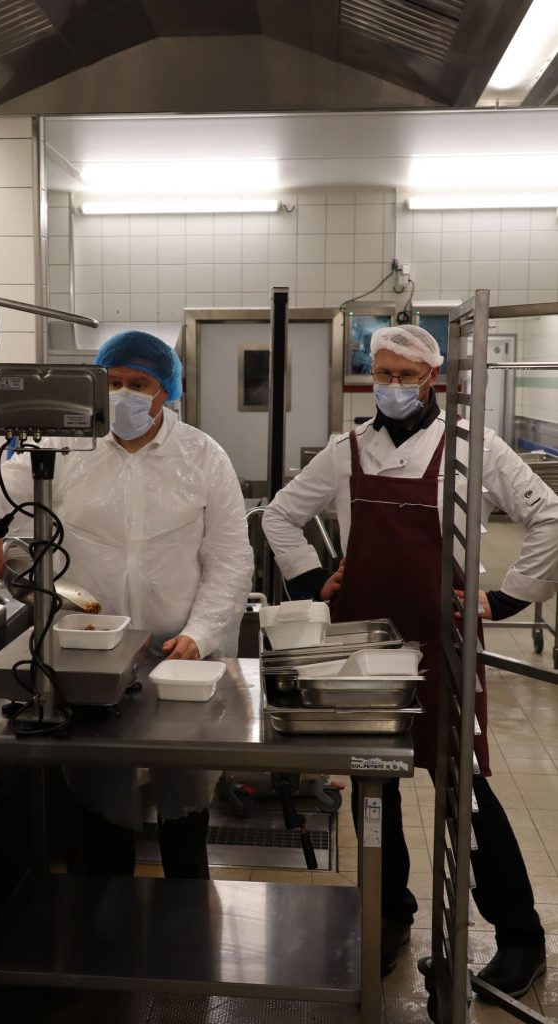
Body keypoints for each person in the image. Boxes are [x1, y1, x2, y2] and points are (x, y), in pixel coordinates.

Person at [263, 324, 558, 998]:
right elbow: (280, 515)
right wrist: (311, 581)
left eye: (406, 375)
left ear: (432, 379)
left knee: (465, 790)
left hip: (442, 645)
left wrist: (507, 598)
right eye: (382, 373)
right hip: (362, 648)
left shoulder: (472, 448)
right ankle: (389, 914)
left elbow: (549, 515)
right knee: (375, 783)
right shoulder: (347, 449)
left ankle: (520, 937)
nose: (392, 386)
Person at [0, 329, 254, 880]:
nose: (123, 395)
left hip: (177, 657)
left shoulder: (202, 455)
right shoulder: (62, 446)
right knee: (100, 802)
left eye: (139, 384)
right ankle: (106, 909)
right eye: (112, 382)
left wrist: (202, 632)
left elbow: (231, 558)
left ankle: (186, 911)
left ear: (167, 391)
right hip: (87, 655)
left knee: (184, 803)